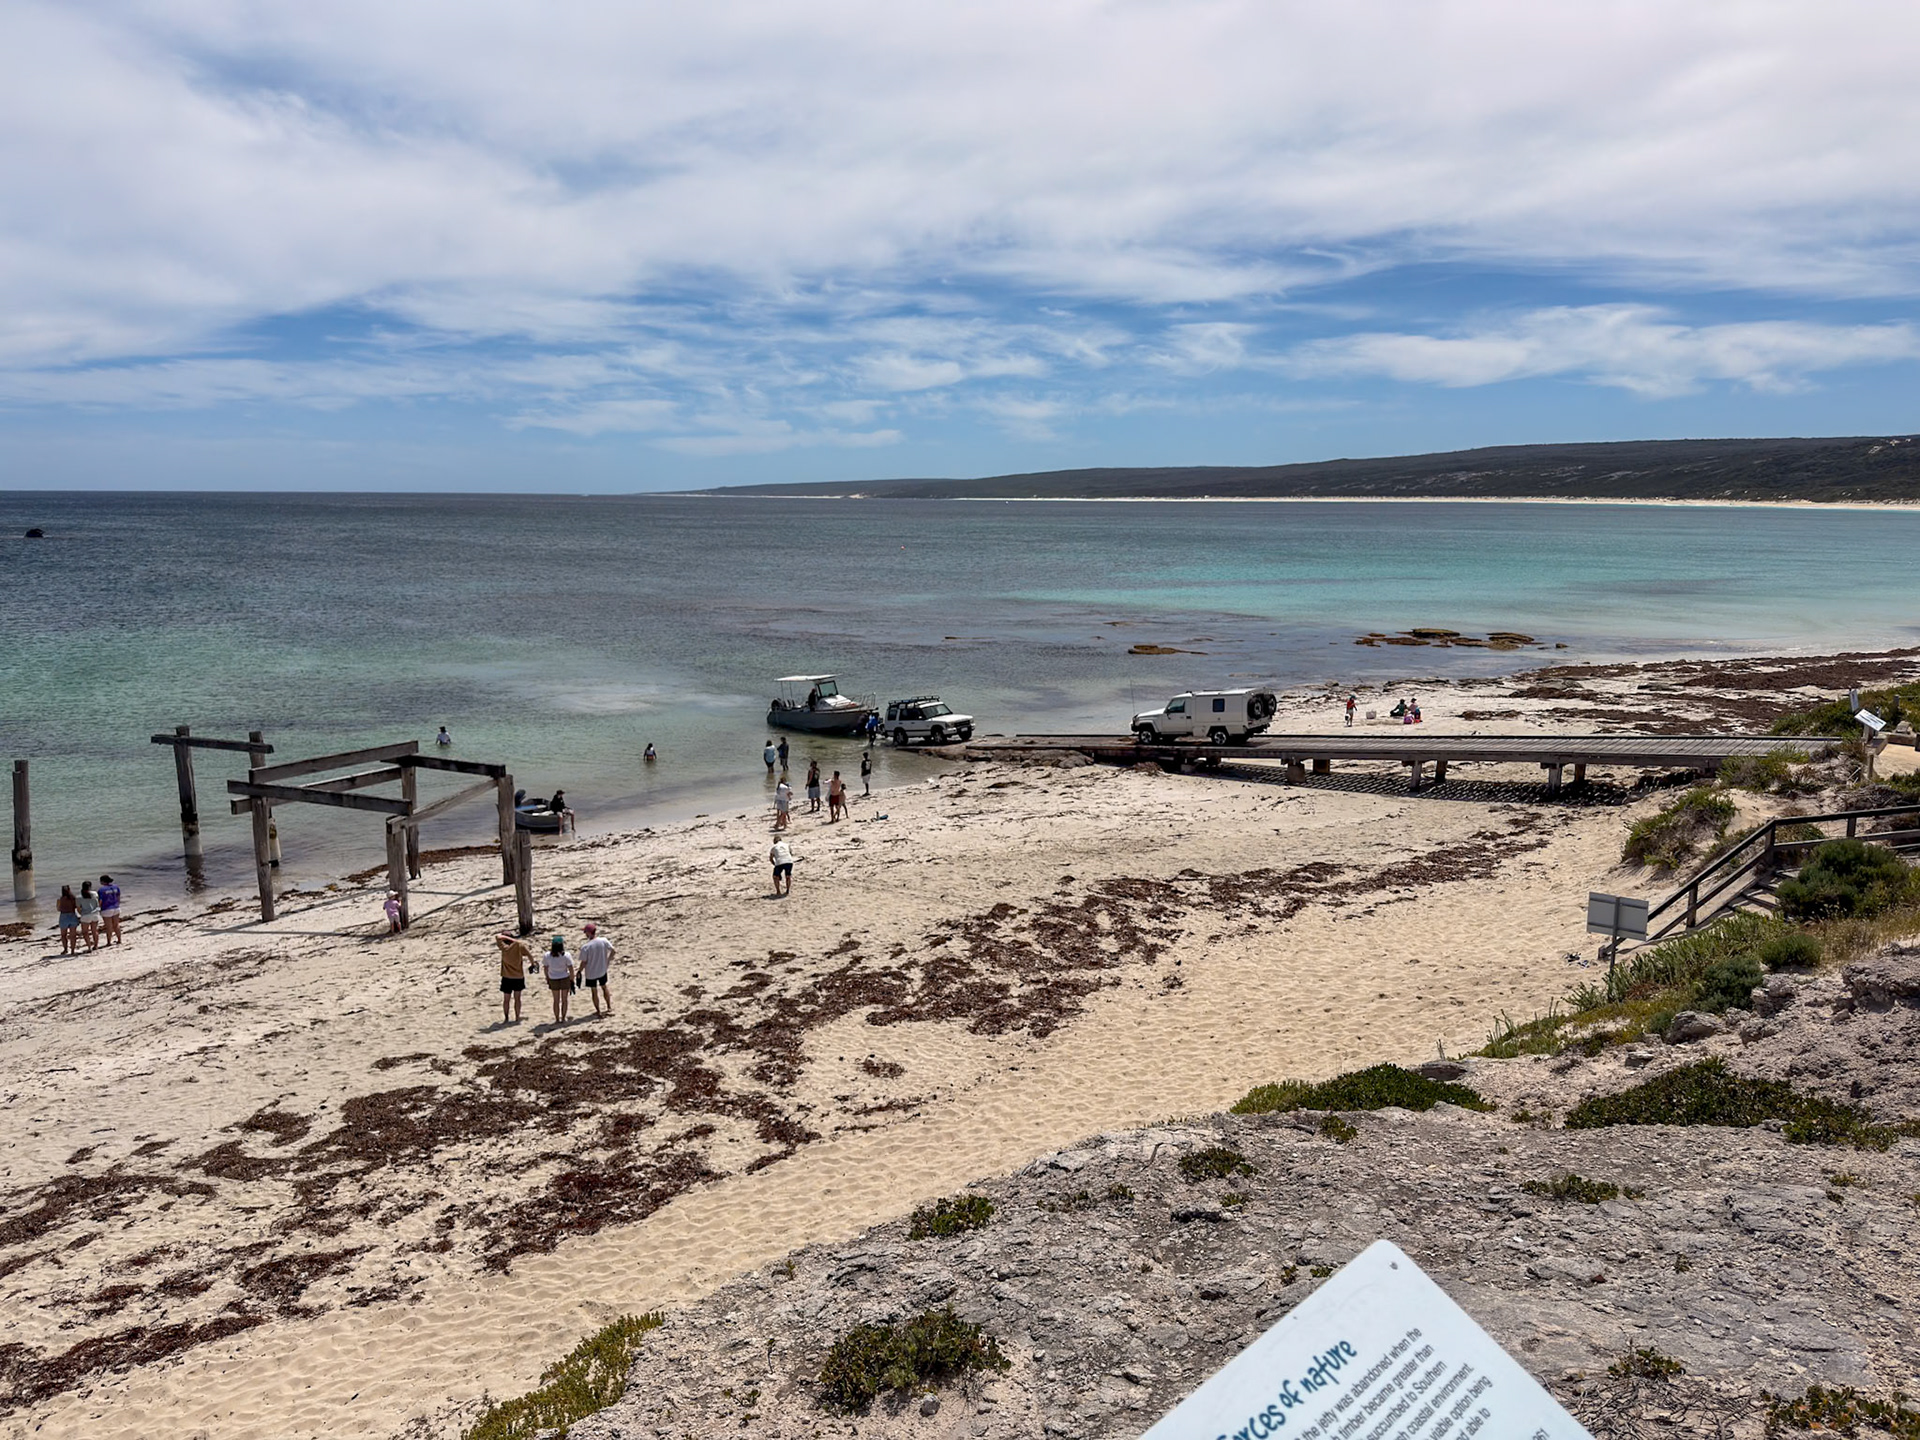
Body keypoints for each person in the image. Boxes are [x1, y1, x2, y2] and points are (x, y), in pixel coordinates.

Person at [578, 922, 615, 1017]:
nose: (585, 934)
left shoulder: (586, 947)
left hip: (591, 973)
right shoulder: (603, 941)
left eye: (585, 932)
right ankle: (609, 1007)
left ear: (589, 933)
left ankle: (598, 1011)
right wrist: (608, 961)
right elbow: (613, 951)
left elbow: (584, 962)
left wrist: (579, 971)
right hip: (602, 969)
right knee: (604, 987)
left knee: (594, 991)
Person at [496, 932, 531, 1023]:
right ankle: (517, 1017)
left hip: (506, 977)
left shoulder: (504, 948)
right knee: (517, 999)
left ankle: (506, 1018)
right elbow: (529, 954)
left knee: (506, 999)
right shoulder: (519, 946)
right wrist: (532, 964)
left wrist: (506, 937)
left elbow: (498, 936)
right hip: (518, 977)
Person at [541, 935, 576, 1022]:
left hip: (553, 978)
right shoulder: (566, 955)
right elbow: (571, 968)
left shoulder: (547, 955)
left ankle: (557, 1018)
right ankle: (563, 1018)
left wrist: (547, 978)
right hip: (564, 978)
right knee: (564, 1000)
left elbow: (545, 968)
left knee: (556, 1000)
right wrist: (572, 979)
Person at [97, 874, 123, 946]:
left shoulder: (101, 890)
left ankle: (109, 942)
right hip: (116, 907)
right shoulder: (116, 887)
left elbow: (100, 901)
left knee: (109, 926)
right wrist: (117, 904)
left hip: (106, 909)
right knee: (116, 925)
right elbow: (118, 897)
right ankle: (119, 940)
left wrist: (98, 908)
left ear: (103, 881)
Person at [76, 881, 102, 952]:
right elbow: (98, 903)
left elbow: (78, 909)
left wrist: (81, 914)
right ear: (90, 887)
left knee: (85, 932)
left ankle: (89, 947)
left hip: (85, 915)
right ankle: (96, 945)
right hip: (95, 914)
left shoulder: (79, 897)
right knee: (94, 931)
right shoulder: (95, 894)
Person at [55, 884, 79, 956]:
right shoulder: (73, 898)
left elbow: (58, 909)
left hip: (63, 917)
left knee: (63, 935)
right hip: (72, 915)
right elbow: (76, 906)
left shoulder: (60, 899)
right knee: (73, 935)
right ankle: (72, 950)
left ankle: (65, 949)